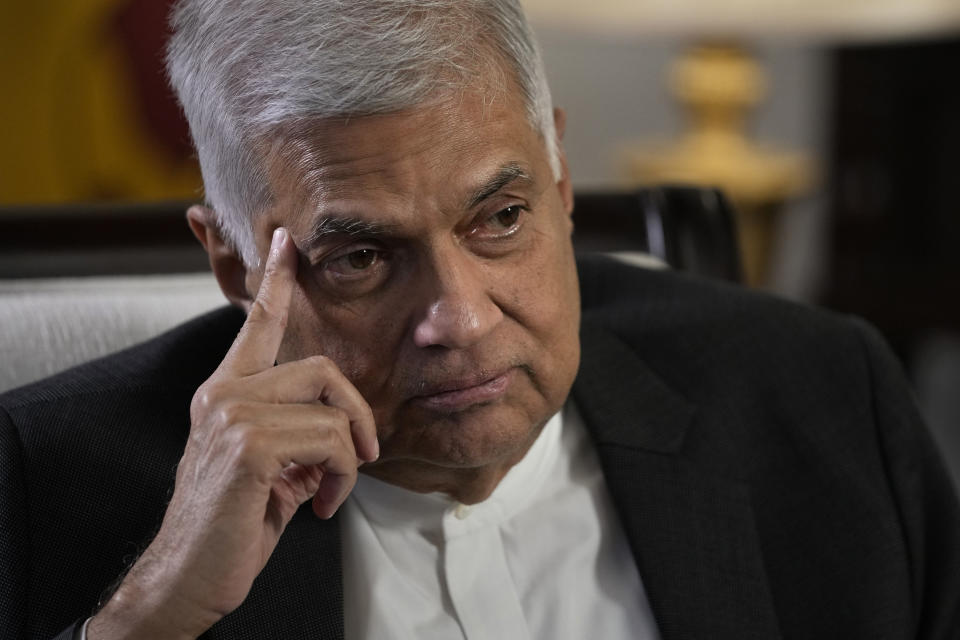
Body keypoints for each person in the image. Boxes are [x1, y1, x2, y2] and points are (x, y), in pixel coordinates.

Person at [1, 0, 958, 638]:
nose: (457, 319)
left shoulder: (824, 398)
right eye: (362, 259)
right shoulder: (45, 488)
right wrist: (150, 614)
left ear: (562, 178)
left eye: (500, 219)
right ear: (232, 263)